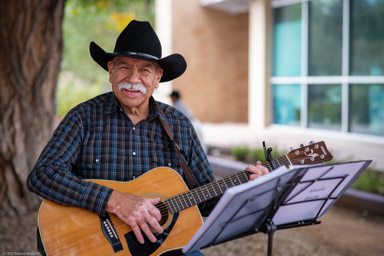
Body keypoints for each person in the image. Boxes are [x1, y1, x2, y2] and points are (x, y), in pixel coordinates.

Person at [27, 20, 269, 255]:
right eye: (124, 67)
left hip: (165, 248)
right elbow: (43, 175)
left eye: (144, 70)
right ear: (111, 71)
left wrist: (247, 189)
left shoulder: (179, 126)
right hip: (93, 246)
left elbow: (205, 198)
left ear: (157, 78)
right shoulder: (83, 117)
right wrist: (115, 201)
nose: (133, 79)